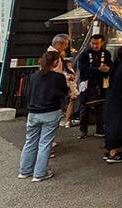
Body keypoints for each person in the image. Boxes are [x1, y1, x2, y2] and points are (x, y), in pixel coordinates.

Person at [18, 51, 67, 182]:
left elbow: (27, 93)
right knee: (45, 143)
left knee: (30, 142)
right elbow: (63, 93)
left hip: (33, 112)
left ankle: (25, 170)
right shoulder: (58, 77)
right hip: (51, 112)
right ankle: (39, 173)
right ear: (56, 62)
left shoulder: (34, 76)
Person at [77, 33, 112, 139]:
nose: (95, 46)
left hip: (102, 84)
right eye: (93, 43)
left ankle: (100, 129)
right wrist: (97, 69)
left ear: (102, 43)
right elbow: (82, 68)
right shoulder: (85, 54)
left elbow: (110, 65)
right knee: (85, 107)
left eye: (97, 43)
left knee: (101, 107)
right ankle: (83, 130)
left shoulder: (106, 54)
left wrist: (108, 69)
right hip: (88, 83)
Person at [47, 34, 78, 128]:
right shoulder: (54, 56)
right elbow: (55, 72)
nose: (67, 47)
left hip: (53, 86)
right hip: (54, 86)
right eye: (66, 44)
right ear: (59, 44)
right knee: (52, 111)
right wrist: (67, 77)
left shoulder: (54, 54)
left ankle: (66, 120)